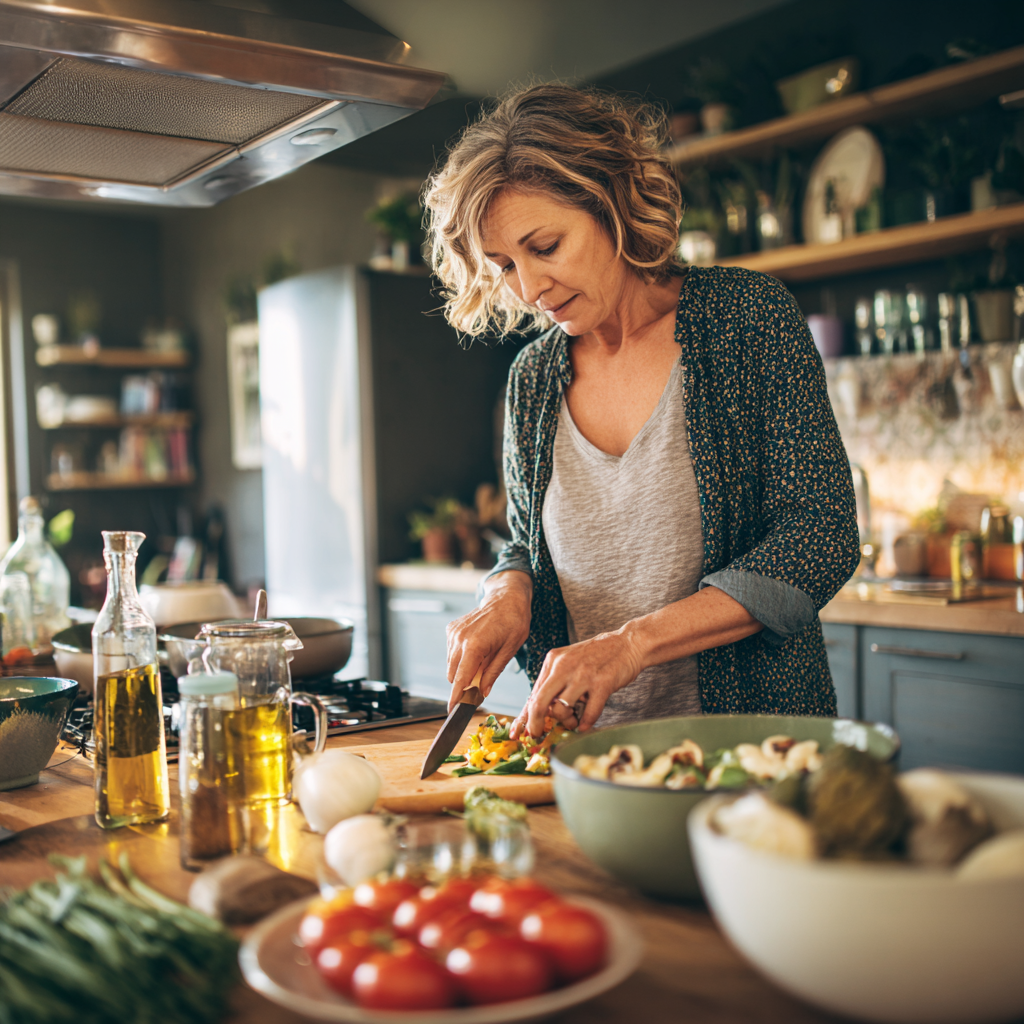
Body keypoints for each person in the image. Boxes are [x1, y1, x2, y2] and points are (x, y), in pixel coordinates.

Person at [422, 84, 860, 741]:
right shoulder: (532, 380)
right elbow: (523, 542)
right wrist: (505, 594)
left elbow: (820, 535)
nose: (529, 288)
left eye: (545, 246)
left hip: (754, 754)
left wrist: (631, 644)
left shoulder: (746, 320)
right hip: (587, 759)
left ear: (611, 204)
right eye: (505, 264)